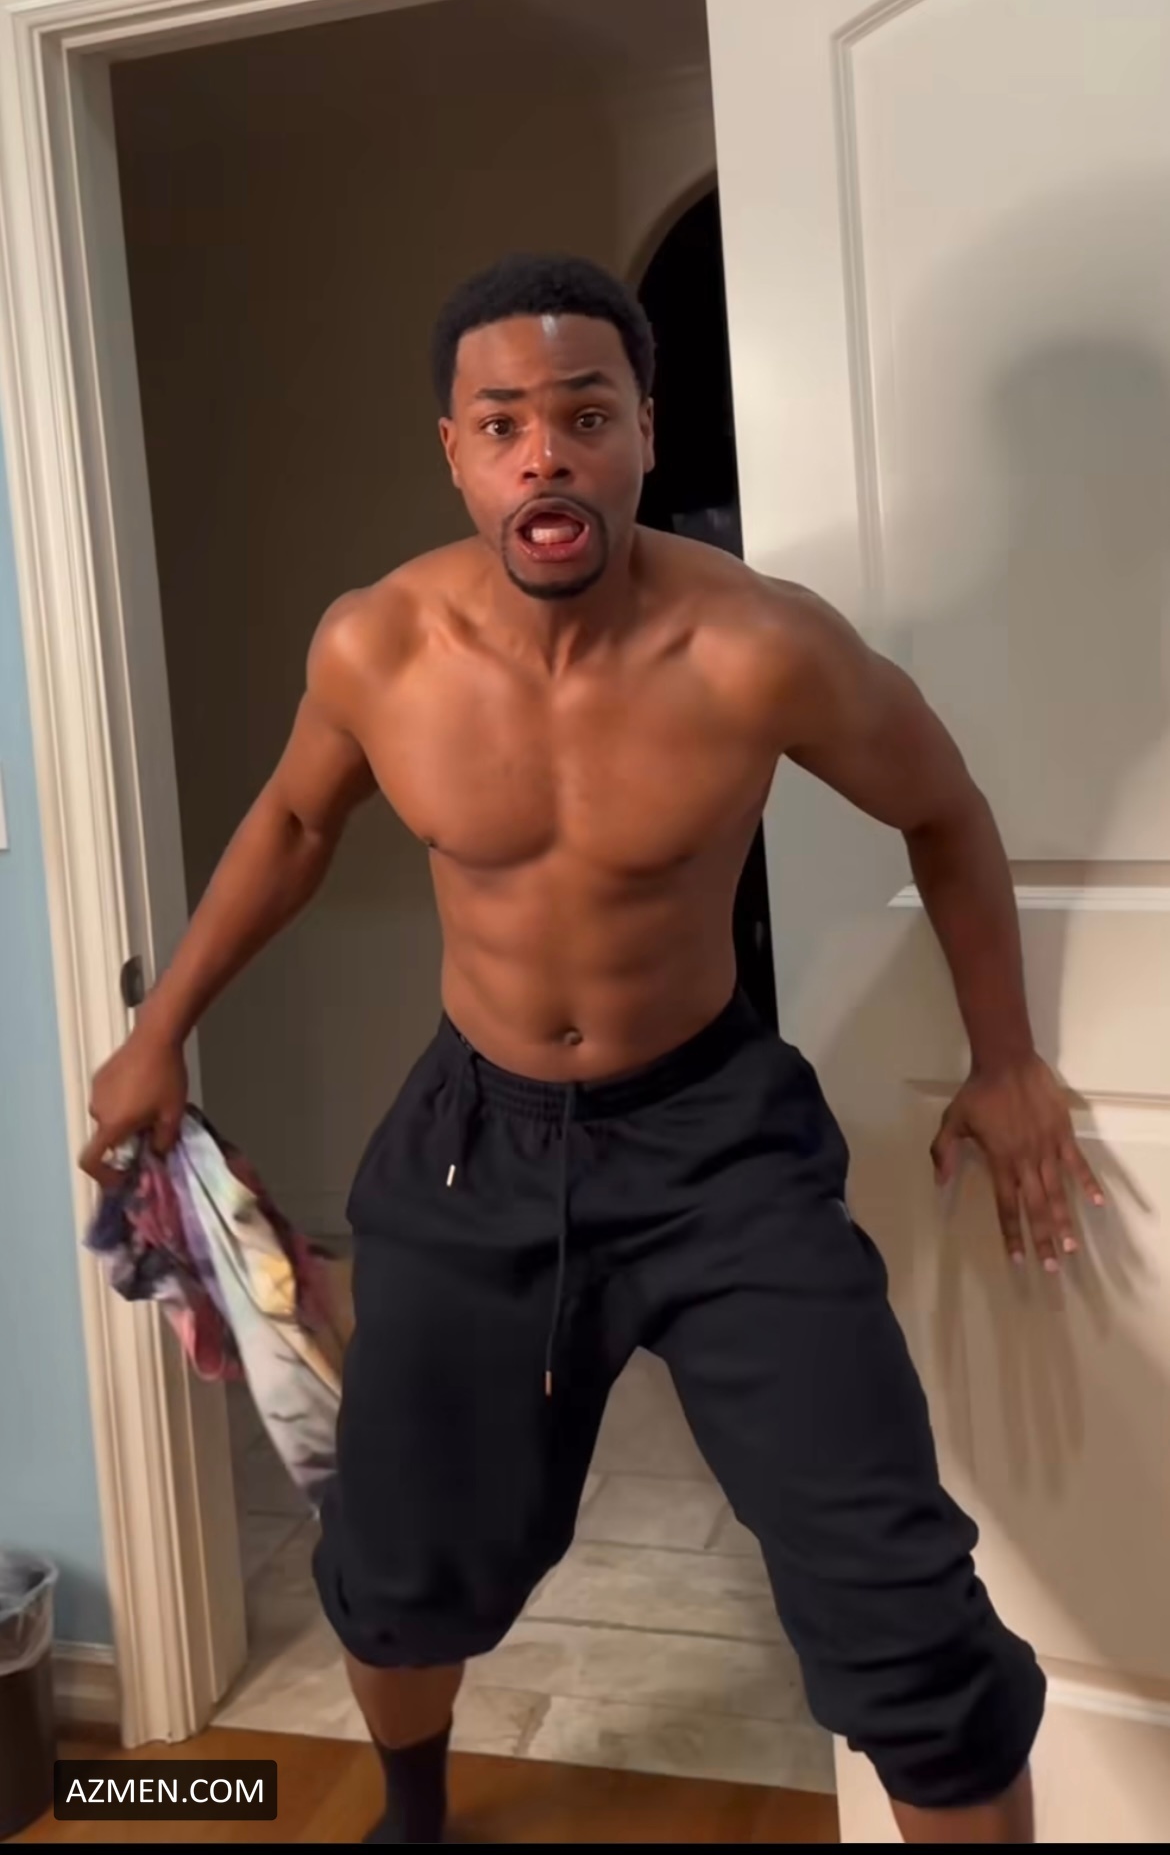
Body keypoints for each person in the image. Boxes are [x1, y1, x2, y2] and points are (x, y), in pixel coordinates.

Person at [84, 253, 1102, 1846]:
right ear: (454, 452)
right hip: (471, 1146)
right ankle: (411, 1813)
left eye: (583, 414)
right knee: (403, 1556)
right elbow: (290, 823)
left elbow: (944, 809)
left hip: (717, 1148)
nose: (543, 455)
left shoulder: (758, 647)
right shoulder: (376, 647)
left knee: (896, 1598)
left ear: (643, 433)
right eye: (502, 424)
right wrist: (159, 1034)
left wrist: (1007, 1060)